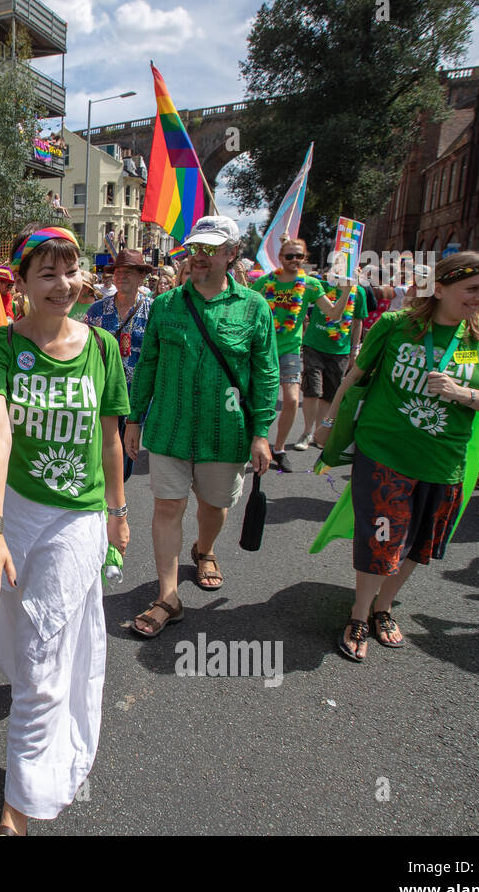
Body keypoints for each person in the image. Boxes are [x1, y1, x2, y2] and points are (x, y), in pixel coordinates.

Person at [0, 225, 129, 835]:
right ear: (22, 283)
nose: (64, 285)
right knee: (5, 627)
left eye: (71, 270)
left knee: (39, 649)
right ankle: (41, 692)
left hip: (77, 516)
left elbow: (110, 436)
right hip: (12, 504)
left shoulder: (105, 347)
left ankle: (21, 803)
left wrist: (116, 512)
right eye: (48, 274)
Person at [314, 252, 479, 661]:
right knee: (381, 536)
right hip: (384, 451)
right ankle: (358, 613)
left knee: (418, 544)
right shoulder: (396, 325)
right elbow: (356, 375)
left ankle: (383, 608)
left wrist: (464, 394)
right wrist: (329, 421)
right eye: (472, 288)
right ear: (439, 288)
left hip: (444, 460)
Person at [124, 216, 277, 636]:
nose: (201, 257)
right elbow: (147, 362)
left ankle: (204, 549)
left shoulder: (253, 307)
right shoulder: (166, 305)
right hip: (170, 428)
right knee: (167, 507)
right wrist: (135, 418)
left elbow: (266, 372)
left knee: (215, 506)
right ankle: (167, 597)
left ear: (232, 254)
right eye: (196, 249)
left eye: (212, 249)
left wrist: (261, 431)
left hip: (225, 433)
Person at [250, 237, 353, 468]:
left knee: (292, 399)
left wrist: (345, 291)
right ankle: (256, 441)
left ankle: (278, 448)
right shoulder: (266, 282)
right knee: (258, 400)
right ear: (281, 258)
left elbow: (335, 314)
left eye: (299, 256)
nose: (294, 260)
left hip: (290, 351)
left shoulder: (310, 285)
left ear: (305, 258)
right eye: (289, 256)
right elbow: (246, 301)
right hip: (263, 350)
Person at [84, 248, 153, 481]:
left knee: (125, 460)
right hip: (102, 395)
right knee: (99, 456)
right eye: (119, 272)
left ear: (141, 277)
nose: (122, 276)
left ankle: (115, 506)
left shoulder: (153, 310)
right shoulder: (96, 311)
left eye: (129, 272)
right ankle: (102, 506)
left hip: (135, 398)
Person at [292, 245, 365, 456]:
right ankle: (305, 432)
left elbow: (358, 322)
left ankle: (319, 432)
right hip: (314, 345)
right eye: (338, 267)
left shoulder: (357, 292)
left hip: (340, 350)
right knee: (313, 390)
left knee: (329, 394)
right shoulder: (320, 286)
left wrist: (354, 349)